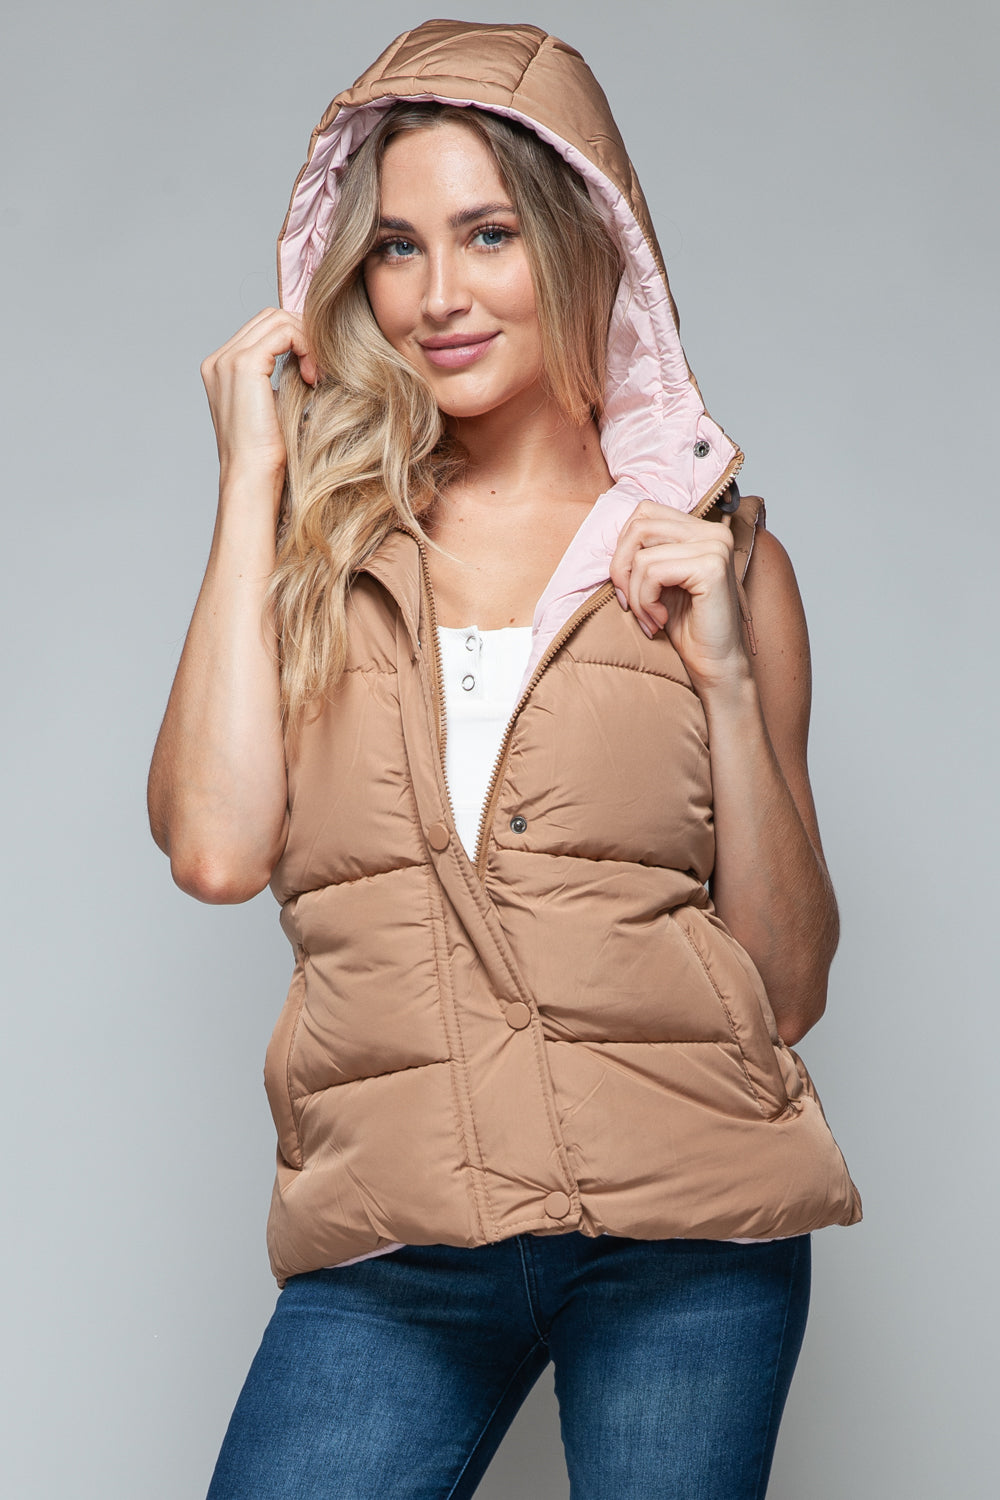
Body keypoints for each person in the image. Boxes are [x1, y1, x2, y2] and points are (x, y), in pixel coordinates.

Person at [148, 18, 861, 1499]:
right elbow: (214, 851)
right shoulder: (320, 552)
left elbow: (787, 987)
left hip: (688, 1232)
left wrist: (726, 678)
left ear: (584, 244)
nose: (439, 296)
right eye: (396, 248)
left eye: (488, 235)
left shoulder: (721, 561)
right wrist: (253, 484)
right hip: (396, 1236)